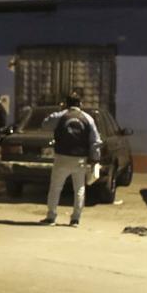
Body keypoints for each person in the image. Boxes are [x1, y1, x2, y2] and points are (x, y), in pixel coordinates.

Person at [40, 93, 101, 227]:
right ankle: (75, 219)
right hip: (80, 158)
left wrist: (59, 110)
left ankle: (51, 217)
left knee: (55, 187)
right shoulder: (88, 119)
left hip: (62, 157)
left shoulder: (60, 116)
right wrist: (95, 158)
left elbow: (45, 125)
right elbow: (95, 141)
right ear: (80, 104)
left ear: (66, 103)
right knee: (79, 188)